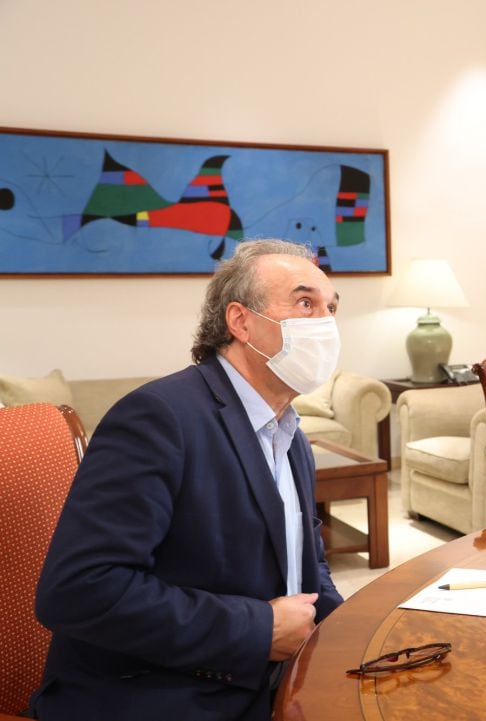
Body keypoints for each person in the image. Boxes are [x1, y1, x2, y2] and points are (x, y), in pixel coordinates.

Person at [31, 239, 345, 720]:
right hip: (162, 695)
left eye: (330, 308)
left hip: (272, 686)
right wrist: (258, 627)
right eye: (306, 303)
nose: (325, 322)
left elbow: (307, 569)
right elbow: (79, 590)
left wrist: (355, 635)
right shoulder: (158, 418)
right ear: (241, 322)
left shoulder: (290, 433)